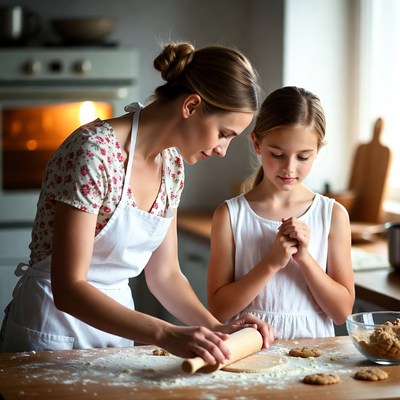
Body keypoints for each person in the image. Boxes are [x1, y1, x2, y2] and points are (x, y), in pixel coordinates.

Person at [0, 42, 275, 362]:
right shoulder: (93, 153)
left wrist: (217, 329)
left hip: (117, 332)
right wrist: (165, 333)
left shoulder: (172, 168)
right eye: (224, 133)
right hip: (51, 331)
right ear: (190, 106)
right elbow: (69, 289)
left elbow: (166, 276)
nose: (221, 150)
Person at [207, 86, 355, 339]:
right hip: (250, 351)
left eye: (303, 157)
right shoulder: (230, 215)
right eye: (278, 154)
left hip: (315, 353)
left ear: (317, 151)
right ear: (257, 144)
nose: (289, 168)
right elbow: (219, 310)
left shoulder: (332, 215)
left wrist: (305, 259)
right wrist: (271, 263)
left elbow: (342, 313)